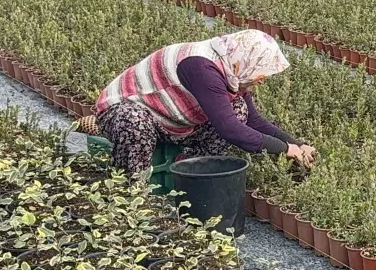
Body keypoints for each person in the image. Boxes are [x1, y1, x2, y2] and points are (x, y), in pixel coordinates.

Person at [88, 30, 315, 177]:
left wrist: (296, 144)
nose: (262, 79)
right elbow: (230, 130)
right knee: (134, 122)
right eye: (261, 72)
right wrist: (285, 150)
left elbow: (254, 121)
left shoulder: (231, 69)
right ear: (246, 60)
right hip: (122, 110)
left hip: (173, 121)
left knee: (239, 109)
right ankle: (129, 191)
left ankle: (186, 170)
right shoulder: (202, 68)